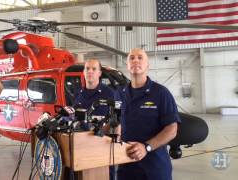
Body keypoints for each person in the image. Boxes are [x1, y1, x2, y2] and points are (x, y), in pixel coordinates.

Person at [115, 48, 180, 180]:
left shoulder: (161, 93)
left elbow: (172, 129)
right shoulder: (119, 93)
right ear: (127, 65)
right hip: (126, 165)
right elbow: (116, 121)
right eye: (131, 58)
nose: (135, 60)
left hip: (154, 166)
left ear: (148, 65)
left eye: (140, 57)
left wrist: (146, 147)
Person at [74, 58, 115, 123]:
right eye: (87, 68)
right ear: (84, 72)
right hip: (80, 132)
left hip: (101, 133)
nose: (90, 71)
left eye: (94, 69)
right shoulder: (78, 94)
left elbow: (117, 121)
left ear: (99, 73)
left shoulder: (110, 93)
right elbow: (74, 118)